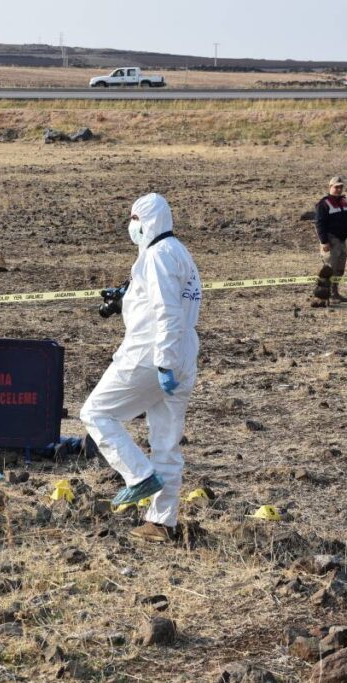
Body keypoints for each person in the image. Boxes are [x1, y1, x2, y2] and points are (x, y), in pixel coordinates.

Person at [80, 193, 202, 543]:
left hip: (151, 353)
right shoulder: (179, 253)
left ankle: (137, 476)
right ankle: (162, 523)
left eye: (134, 219)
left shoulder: (156, 256)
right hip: (181, 353)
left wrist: (162, 362)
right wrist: (126, 301)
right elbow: (168, 303)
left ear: (147, 221)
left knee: (96, 414)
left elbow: (166, 311)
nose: (131, 226)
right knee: (166, 440)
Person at [314, 176, 347, 303]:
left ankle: (335, 293)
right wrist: (324, 242)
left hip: (342, 241)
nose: (339, 189)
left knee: (339, 269)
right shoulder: (323, 203)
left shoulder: (344, 201)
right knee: (329, 269)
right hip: (331, 240)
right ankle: (324, 297)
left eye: (341, 187)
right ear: (330, 187)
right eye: (336, 187)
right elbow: (319, 223)